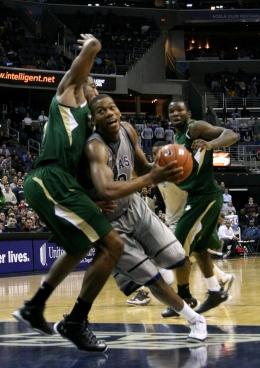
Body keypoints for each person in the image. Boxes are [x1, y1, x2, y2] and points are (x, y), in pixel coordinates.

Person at [12, 34, 127, 353]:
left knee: (78, 248)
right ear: (82, 83)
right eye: (94, 86)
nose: (97, 91)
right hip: (49, 177)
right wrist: (93, 43)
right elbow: (87, 55)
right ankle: (76, 321)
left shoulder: (84, 126)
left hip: (57, 184)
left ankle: (34, 307)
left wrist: (92, 198)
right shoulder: (68, 95)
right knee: (113, 245)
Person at [82, 94, 207, 342]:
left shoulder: (129, 131)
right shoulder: (94, 146)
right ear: (93, 120)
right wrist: (152, 178)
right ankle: (196, 320)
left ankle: (145, 271)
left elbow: (143, 169)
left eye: (112, 108)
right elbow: (107, 189)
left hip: (135, 207)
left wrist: (168, 168)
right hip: (111, 222)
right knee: (153, 280)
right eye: (101, 111)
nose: (109, 113)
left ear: (119, 112)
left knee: (178, 258)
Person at [160, 100, 239, 317]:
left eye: (179, 110)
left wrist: (211, 144)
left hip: (205, 197)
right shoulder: (176, 138)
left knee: (177, 250)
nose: (175, 113)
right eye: (171, 111)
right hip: (195, 198)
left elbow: (232, 134)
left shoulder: (195, 128)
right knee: (198, 249)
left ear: (189, 112)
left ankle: (184, 297)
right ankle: (215, 291)